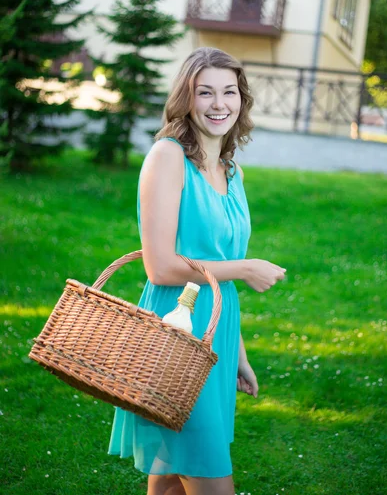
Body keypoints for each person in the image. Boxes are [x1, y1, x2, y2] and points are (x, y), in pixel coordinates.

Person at [108, 47, 287, 495]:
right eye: (205, 92)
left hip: (216, 335)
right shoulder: (167, 157)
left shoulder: (232, 171)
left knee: (170, 477)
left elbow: (216, 267)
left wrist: (237, 353)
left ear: (241, 99)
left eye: (229, 92)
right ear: (186, 98)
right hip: (177, 332)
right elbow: (161, 266)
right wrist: (246, 268)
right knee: (207, 473)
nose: (219, 104)